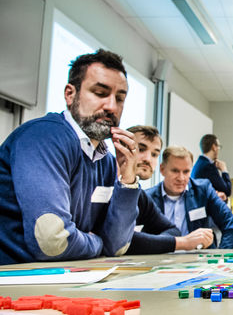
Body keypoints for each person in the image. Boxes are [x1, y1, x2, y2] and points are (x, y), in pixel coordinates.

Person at [0, 49, 140, 264]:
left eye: (120, 98)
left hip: (63, 279)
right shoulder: (44, 137)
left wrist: (128, 180)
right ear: (70, 94)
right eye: (100, 93)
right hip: (13, 279)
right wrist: (97, 243)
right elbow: (52, 243)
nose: (112, 106)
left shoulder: (108, 161)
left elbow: (118, 246)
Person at [125, 125, 214, 254]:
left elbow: (172, 230)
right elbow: (120, 240)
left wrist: (154, 243)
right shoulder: (105, 183)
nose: (147, 159)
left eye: (154, 154)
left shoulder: (139, 195)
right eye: (140, 149)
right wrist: (183, 242)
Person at [146, 146, 233, 249]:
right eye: (175, 171)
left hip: (199, 260)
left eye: (186, 172)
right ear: (162, 169)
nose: (181, 178)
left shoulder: (203, 190)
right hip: (161, 259)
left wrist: (220, 257)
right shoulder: (148, 197)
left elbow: (231, 225)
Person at [192, 134, 231, 201]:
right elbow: (227, 191)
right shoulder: (208, 167)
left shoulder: (199, 164)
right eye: (218, 147)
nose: (218, 149)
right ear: (214, 147)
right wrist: (224, 170)